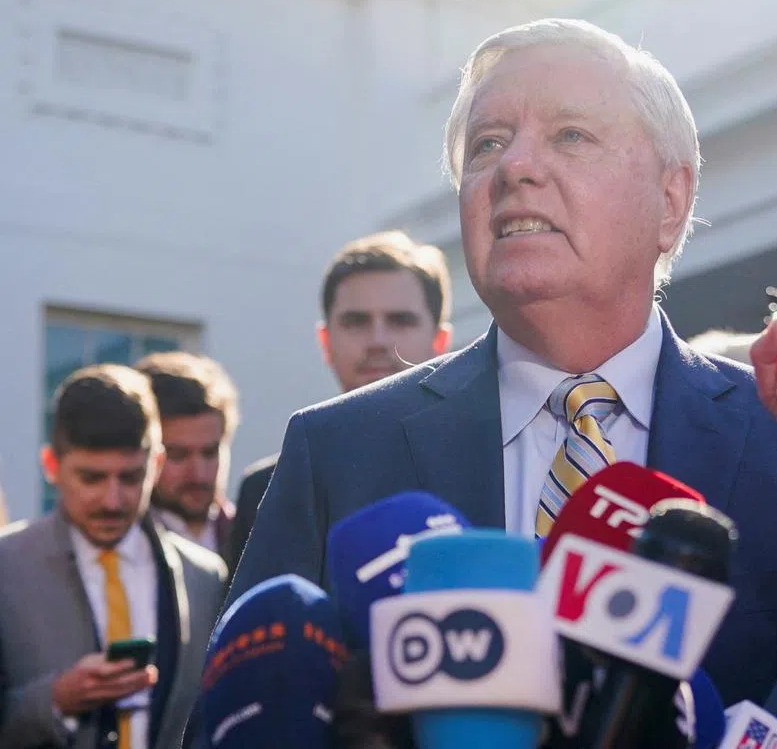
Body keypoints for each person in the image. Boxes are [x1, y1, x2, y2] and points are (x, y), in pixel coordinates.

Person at [227, 19, 777, 746]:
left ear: (672, 201)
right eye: (488, 143)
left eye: (569, 136)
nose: (514, 166)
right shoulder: (336, 451)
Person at [0, 365, 226, 748]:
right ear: (51, 466)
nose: (112, 500)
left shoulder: (204, 576)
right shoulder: (7, 567)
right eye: (91, 478)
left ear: (155, 465)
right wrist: (55, 701)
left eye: (130, 477)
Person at [227, 231, 453, 569]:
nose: (377, 340)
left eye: (400, 320)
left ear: (441, 339)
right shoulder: (264, 489)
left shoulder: (493, 464)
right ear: (325, 340)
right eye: (356, 321)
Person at [135, 352, 240, 563]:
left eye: (210, 453)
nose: (198, 473)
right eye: (177, 456)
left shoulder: (255, 538)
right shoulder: (121, 548)